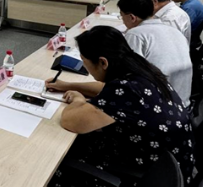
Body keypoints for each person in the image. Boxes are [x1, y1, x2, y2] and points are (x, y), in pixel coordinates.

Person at [45, 26, 194, 186]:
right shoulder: (138, 68)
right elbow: (106, 89)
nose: (85, 67)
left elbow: (70, 121)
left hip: (144, 175)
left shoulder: (128, 91)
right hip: (167, 166)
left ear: (103, 62)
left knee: (54, 159)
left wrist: (78, 100)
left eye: (85, 62)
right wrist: (68, 85)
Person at [117, 0, 192, 107]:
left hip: (160, 105)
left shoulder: (136, 34)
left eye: (121, 16)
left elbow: (127, 75)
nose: (122, 20)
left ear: (132, 17)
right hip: (182, 102)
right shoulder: (174, 31)